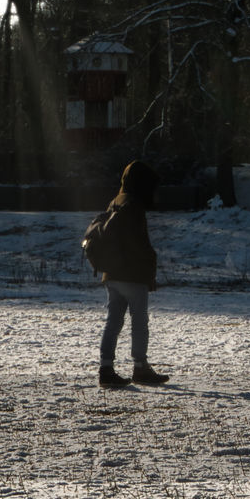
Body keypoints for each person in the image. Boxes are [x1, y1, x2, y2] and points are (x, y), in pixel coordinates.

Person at [97, 159, 169, 388]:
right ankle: (140, 367)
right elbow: (139, 244)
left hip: (112, 273)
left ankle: (106, 368)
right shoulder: (134, 204)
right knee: (139, 322)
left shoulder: (115, 201)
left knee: (113, 322)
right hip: (132, 273)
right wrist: (150, 272)